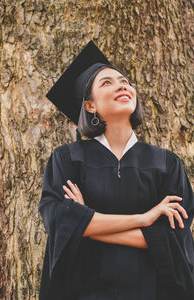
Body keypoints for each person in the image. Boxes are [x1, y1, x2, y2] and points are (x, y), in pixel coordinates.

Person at [38, 40, 194, 300]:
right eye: (106, 82)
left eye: (124, 81)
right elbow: (59, 225)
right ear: (90, 105)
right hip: (86, 293)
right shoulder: (68, 160)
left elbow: (174, 240)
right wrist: (145, 219)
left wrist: (88, 223)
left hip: (151, 292)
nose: (122, 85)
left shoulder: (166, 164)